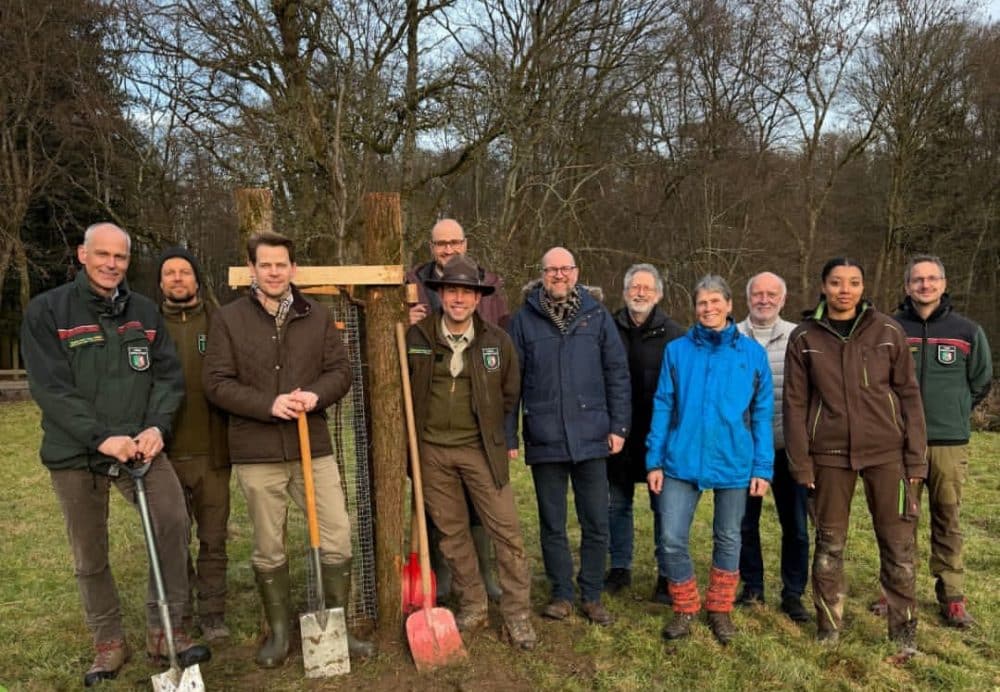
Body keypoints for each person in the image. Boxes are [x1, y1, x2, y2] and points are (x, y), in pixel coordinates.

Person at [20, 223, 210, 687]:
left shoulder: (144, 313)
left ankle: (166, 630)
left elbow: (168, 378)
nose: (111, 264)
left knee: (171, 522)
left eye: (120, 257)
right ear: (82, 255)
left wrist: (155, 427)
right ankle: (108, 641)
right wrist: (102, 437)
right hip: (77, 453)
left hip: (140, 448)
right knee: (90, 552)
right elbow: (51, 389)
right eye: (101, 254)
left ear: (128, 262)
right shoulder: (48, 312)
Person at [203, 231, 373, 667]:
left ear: (292, 269)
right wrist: (268, 404)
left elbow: (340, 370)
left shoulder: (315, 315)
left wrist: (315, 395)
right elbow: (216, 383)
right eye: (266, 264)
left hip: (311, 448)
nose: (274, 271)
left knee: (337, 534)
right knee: (268, 545)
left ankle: (337, 627)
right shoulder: (229, 319)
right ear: (253, 269)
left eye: (282, 264)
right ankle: (279, 635)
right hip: (257, 451)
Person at [784, 257, 926, 661]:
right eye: (836, 282)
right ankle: (829, 627)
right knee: (829, 546)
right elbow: (795, 405)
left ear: (864, 287)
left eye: (853, 282)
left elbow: (910, 397)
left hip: (887, 455)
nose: (845, 290)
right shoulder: (804, 337)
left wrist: (916, 461)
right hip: (828, 456)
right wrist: (801, 462)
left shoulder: (888, 331)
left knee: (899, 548)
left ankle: (904, 632)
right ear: (823, 287)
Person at [405, 254, 536, 649]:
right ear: (440, 295)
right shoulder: (415, 337)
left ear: (478, 298)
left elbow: (510, 392)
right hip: (431, 451)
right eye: (451, 291)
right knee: (452, 534)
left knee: (507, 532)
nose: (458, 299)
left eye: (466, 292)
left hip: (481, 449)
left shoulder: (497, 341)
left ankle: (516, 615)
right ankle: (474, 605)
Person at [646, 275, 774, 645]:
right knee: (671, 538)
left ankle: (719, 608)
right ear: (695, 308)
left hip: (734, 459)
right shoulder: (678, 351)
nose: (709, 309)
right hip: (680, 459)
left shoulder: (751, 354)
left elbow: (762, 413)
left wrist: (762, 467)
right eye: (702, 303)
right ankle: (685, 606)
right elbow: (663, 404)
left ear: (730, 305)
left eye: (716, 301)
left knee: (729, 536)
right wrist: (654, 460)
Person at [507, 246, 630, 626]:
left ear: (576, 273)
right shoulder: (524, 320)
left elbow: (617, 373)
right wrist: (510, 435)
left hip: (593, 435)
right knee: (552, 521)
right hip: (545, 435)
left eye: (565, 269)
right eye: (551, 270)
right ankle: (561, 593)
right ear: (541, 275)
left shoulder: (597, 316)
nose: (559, 275)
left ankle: (591, 593)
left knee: (596, 520)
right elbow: (511, 384)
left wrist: (618, 426)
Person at [406, 218, 509, 601]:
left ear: (465, 243)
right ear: (431, 247)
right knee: (439, 506)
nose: (448, 250)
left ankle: (485, 575)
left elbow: (503, 347)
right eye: (440, 244)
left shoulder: (491, 284)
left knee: (480, 506)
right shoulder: (412, 284)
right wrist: (402, 324)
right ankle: (444, 576)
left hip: (477, 420)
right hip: (431, 419)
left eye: (455, 242)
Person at [887, 254, 991, 627]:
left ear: (944, 284)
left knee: (947, 517)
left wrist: (957, 409)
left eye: (932, 279)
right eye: (918, 280)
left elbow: (980, 381)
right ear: (907, 286)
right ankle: (897, 592)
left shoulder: (967, 331)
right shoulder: (891, 327)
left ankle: (952, 596)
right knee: (901, 520)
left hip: (949, 442)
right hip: (900, 444)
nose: (925, 285)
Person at [157, 247, 231, 641]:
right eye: (169, 273)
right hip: (164, 454)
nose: (177, 278)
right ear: (161, 283)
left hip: (212, 452)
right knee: (173, 538)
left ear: (197, 280)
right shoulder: (148, 327)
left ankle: (214, 612)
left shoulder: (219, 323)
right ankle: (179, 611)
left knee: (214, 538)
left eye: (184, 272)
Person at [603, 264, 684, 603]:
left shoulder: (675, 335)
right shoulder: (607, 328)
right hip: (616, 433)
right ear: (624, 292)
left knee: (662, 507)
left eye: (647, 288)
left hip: (658, 436)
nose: (640, 293)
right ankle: (619, 567)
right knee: (617, 504)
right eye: (634, 287)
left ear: (659, 294)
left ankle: (666, 574)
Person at [735, 272, 810, 623]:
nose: (764, 300)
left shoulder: (799, 337)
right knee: (743, 524)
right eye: (757, 294)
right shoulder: (731, 336)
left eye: (771, 294)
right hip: (742, 451)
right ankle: (752, 588)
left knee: (794, 525)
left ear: (783, 299)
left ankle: (793, 593)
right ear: (747, 297)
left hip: (788, 448)